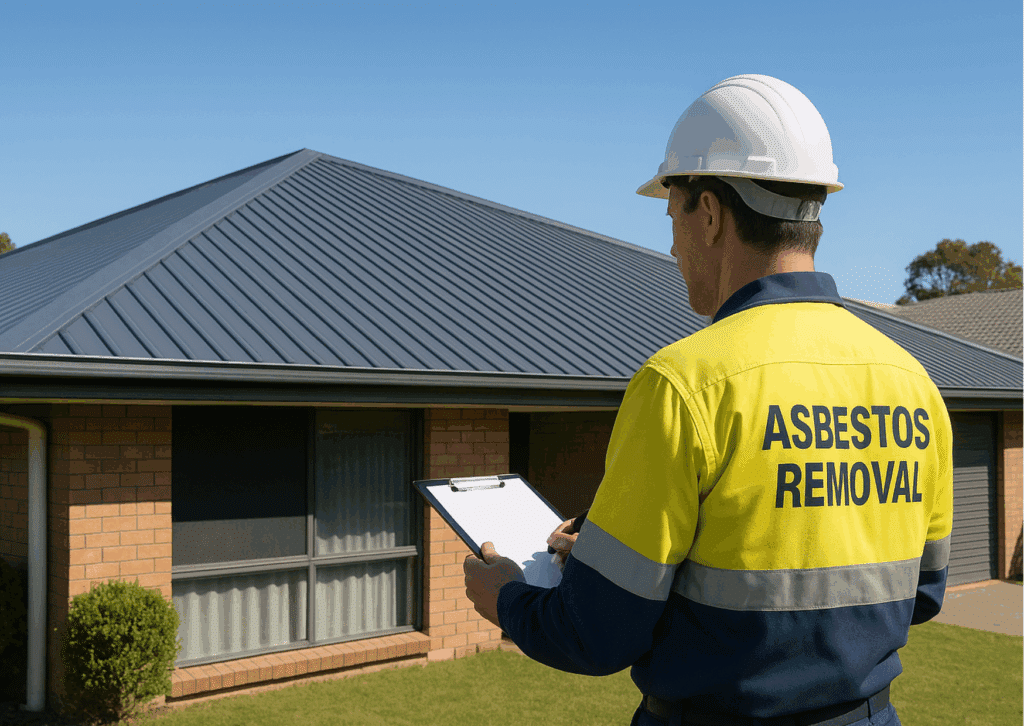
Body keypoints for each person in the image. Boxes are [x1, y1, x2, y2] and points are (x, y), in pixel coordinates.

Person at [464, 74, 952, 726]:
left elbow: (597, 634)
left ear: (712, 213)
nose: (671, 246)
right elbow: (919, 593)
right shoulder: (912, 383)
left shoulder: (683, 384)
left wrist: (507, 599)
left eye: (673, 216)